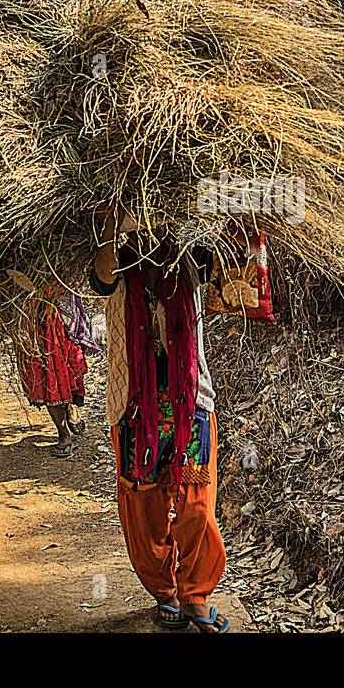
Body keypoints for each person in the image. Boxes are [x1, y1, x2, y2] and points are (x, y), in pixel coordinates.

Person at [90, 205, 230, 632]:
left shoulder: (189, 253)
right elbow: (101, 275)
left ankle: (196, 593)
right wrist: (114, 225)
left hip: (190, 400)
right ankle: (164, 589)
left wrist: (189, 219)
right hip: (134, 403)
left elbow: (219, 260)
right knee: (144, 505)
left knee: (197, 505)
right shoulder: (115, 255)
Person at [14, 283, 96, 457]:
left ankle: (70, 407)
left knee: (68, 369)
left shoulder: (60, 272)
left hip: (58, 318)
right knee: (46, 377)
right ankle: (63, 434)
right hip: (33, 321)